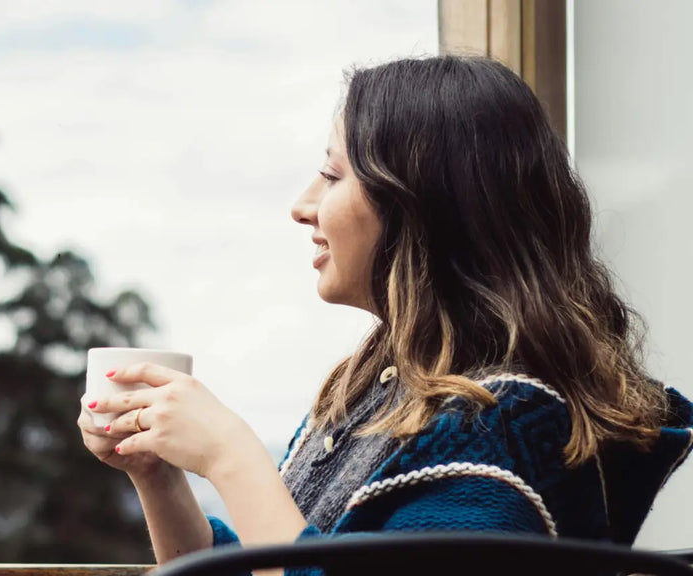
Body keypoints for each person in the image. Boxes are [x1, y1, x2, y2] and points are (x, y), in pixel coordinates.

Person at [76, 56, 693, 567]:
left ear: (420, 204)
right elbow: (280, 566)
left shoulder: (497, 429)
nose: (302, 205)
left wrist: (231, 456)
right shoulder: (377, 399)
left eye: (331, 174)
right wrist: (158, 475)